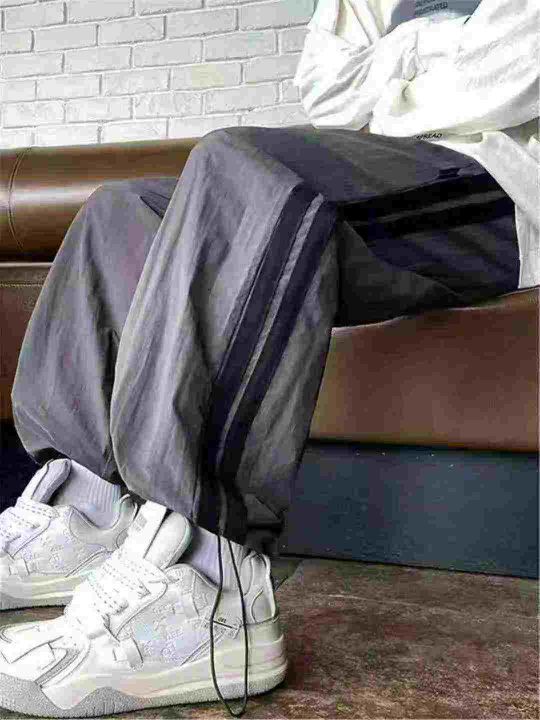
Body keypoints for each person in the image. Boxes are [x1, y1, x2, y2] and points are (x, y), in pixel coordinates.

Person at [0, 0, 536, 717]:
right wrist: (440, 49)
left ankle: (209, 584)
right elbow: (328, 92)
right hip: (388, 166)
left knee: (242, 164)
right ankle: (85, 512)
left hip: (502, 185)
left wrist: (396, 63)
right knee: (121, 210)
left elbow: (516, 76)